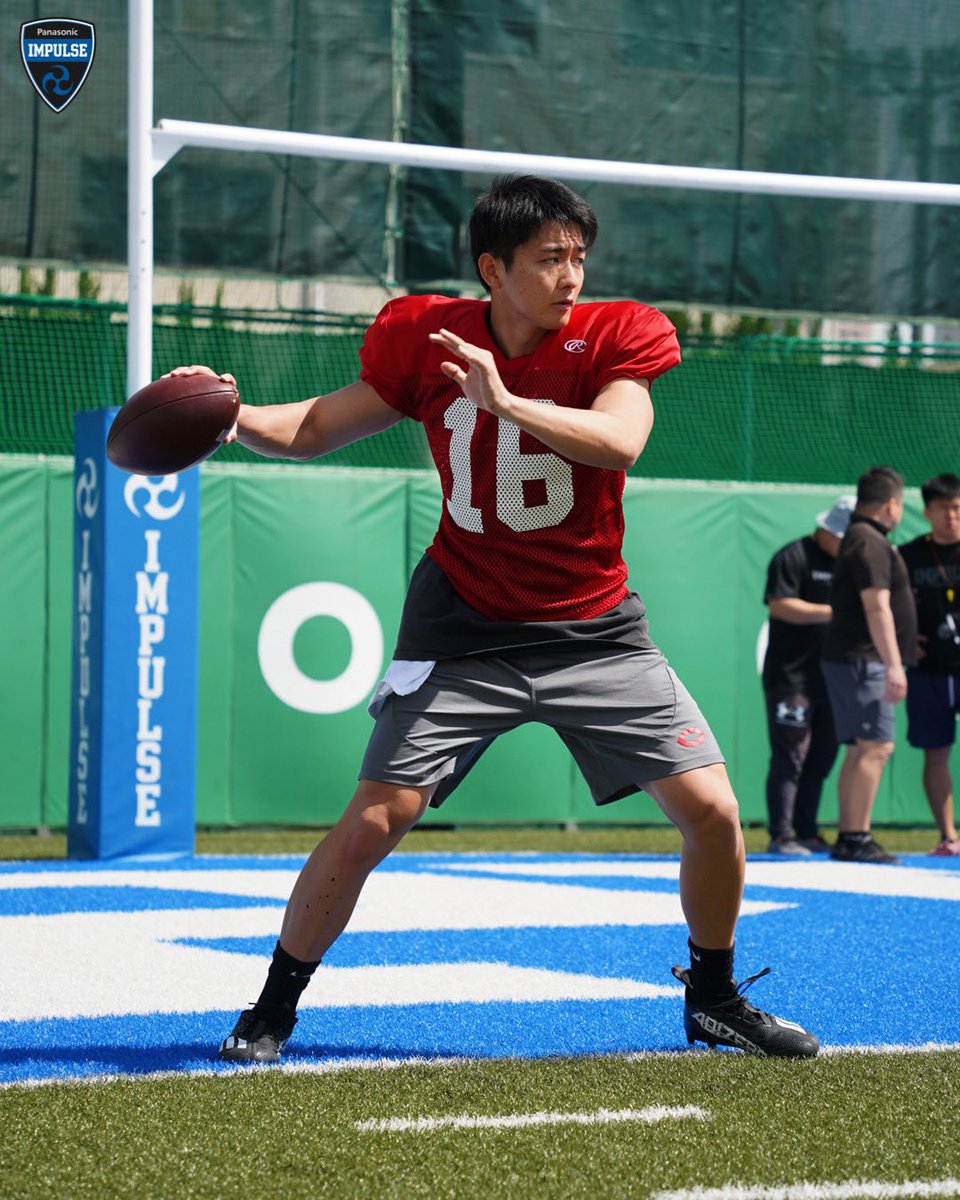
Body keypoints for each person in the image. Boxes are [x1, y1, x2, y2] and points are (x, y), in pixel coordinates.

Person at [174, 175, 817, 1061]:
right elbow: (320, 424)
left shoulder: (614, 335)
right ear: (493, 268)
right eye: (550, 259)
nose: (571, 277)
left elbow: (623, 438)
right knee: (375, 816)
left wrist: (507, 401)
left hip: (592, 626)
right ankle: (271, 1010)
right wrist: (227, 418)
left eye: (579, 257)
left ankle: (712, 999)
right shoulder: (427, 339)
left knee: (713, 810)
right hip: (465, 624)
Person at [821, 466, 917, 863]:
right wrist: (894, 664)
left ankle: (851, 834)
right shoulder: (869, 541)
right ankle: (856, 835)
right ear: (892, 505)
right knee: (876, 745)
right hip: (865, 659)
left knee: (862, 748)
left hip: (855, 657)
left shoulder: (860, 537)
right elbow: (876, 607)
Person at [762, 495, 855, 855]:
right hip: (791, 678)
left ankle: (808, 831)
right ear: (826, 529)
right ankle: (781, 835)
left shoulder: (850, 563)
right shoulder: (793, 556)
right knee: (791, 756)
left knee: (821, 757)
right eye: (843, 537)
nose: (847, 545)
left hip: (833, 679)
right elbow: (780, 604)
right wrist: (834, 613)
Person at [898, 473, 960, 855]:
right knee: (935, 752)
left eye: (957, 508)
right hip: (929, 671)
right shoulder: (909, 555)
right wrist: (906, 641)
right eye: (943, 509)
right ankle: (948, 836)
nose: (951, 516)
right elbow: (884, 605)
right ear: (927, 512)